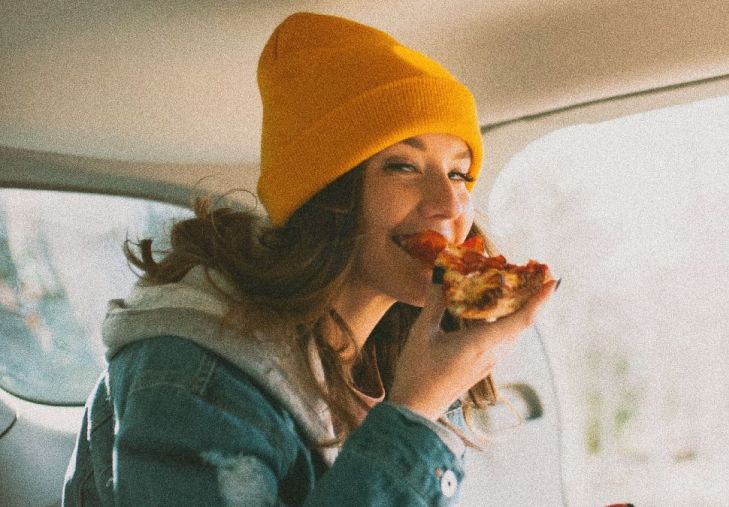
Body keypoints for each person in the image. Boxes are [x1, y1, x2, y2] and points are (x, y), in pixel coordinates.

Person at [62, 11, 557, 506]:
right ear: (328, 196)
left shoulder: (389, 360)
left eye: (458, 174)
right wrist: (414, 411)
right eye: (402, 166)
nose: (450, 206)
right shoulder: (195, 377)